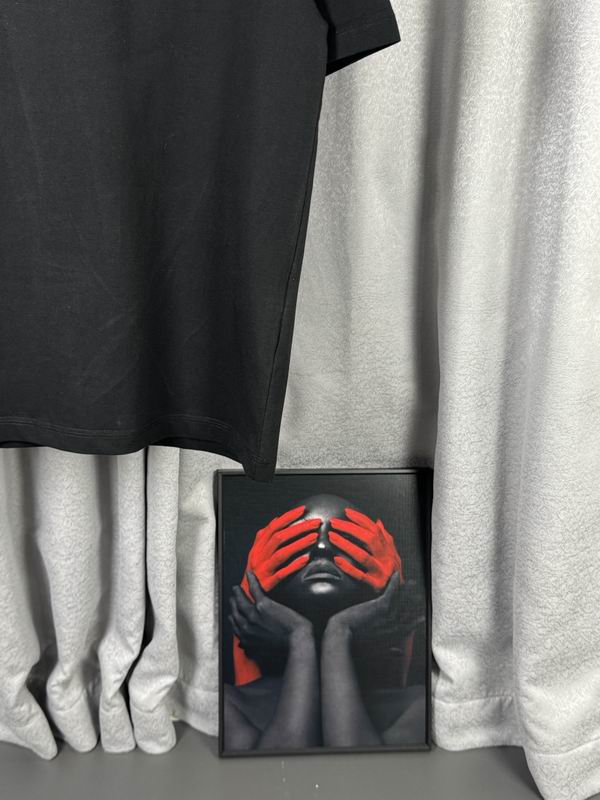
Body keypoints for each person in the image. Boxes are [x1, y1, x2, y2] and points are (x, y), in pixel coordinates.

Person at [224, 494, 426, 751]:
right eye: (302, 541)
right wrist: (295, 632)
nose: (322, 548)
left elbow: (358, 771)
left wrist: (342, 630)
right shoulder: (228, 702)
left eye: (345, 540)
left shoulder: (418, 704)